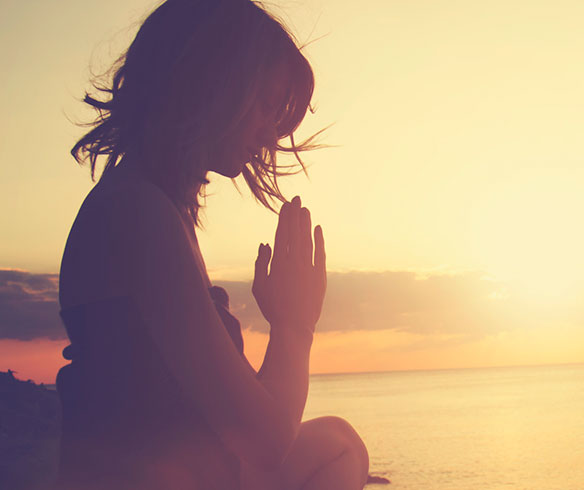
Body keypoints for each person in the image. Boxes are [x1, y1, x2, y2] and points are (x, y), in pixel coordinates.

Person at [55, 1, 369, 489]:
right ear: (211, 84)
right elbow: (265, 442)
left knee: (338, 444)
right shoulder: (139, 213)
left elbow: (243, 415)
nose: (272, 133)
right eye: (266, 104)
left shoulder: (150, 206)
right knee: (339, 449)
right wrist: (294, 326)